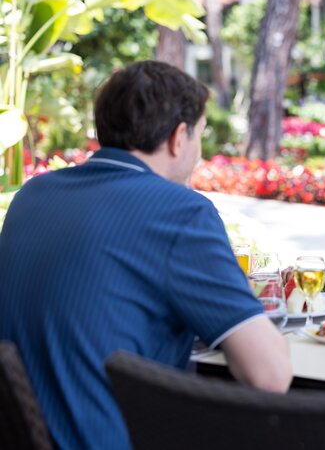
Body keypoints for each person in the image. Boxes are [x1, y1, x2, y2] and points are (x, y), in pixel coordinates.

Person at [0, 61, 292, 450]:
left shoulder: (33, 195)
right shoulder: (181, 212)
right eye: (200, 135)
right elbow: (271, 376)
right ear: (178, 137)